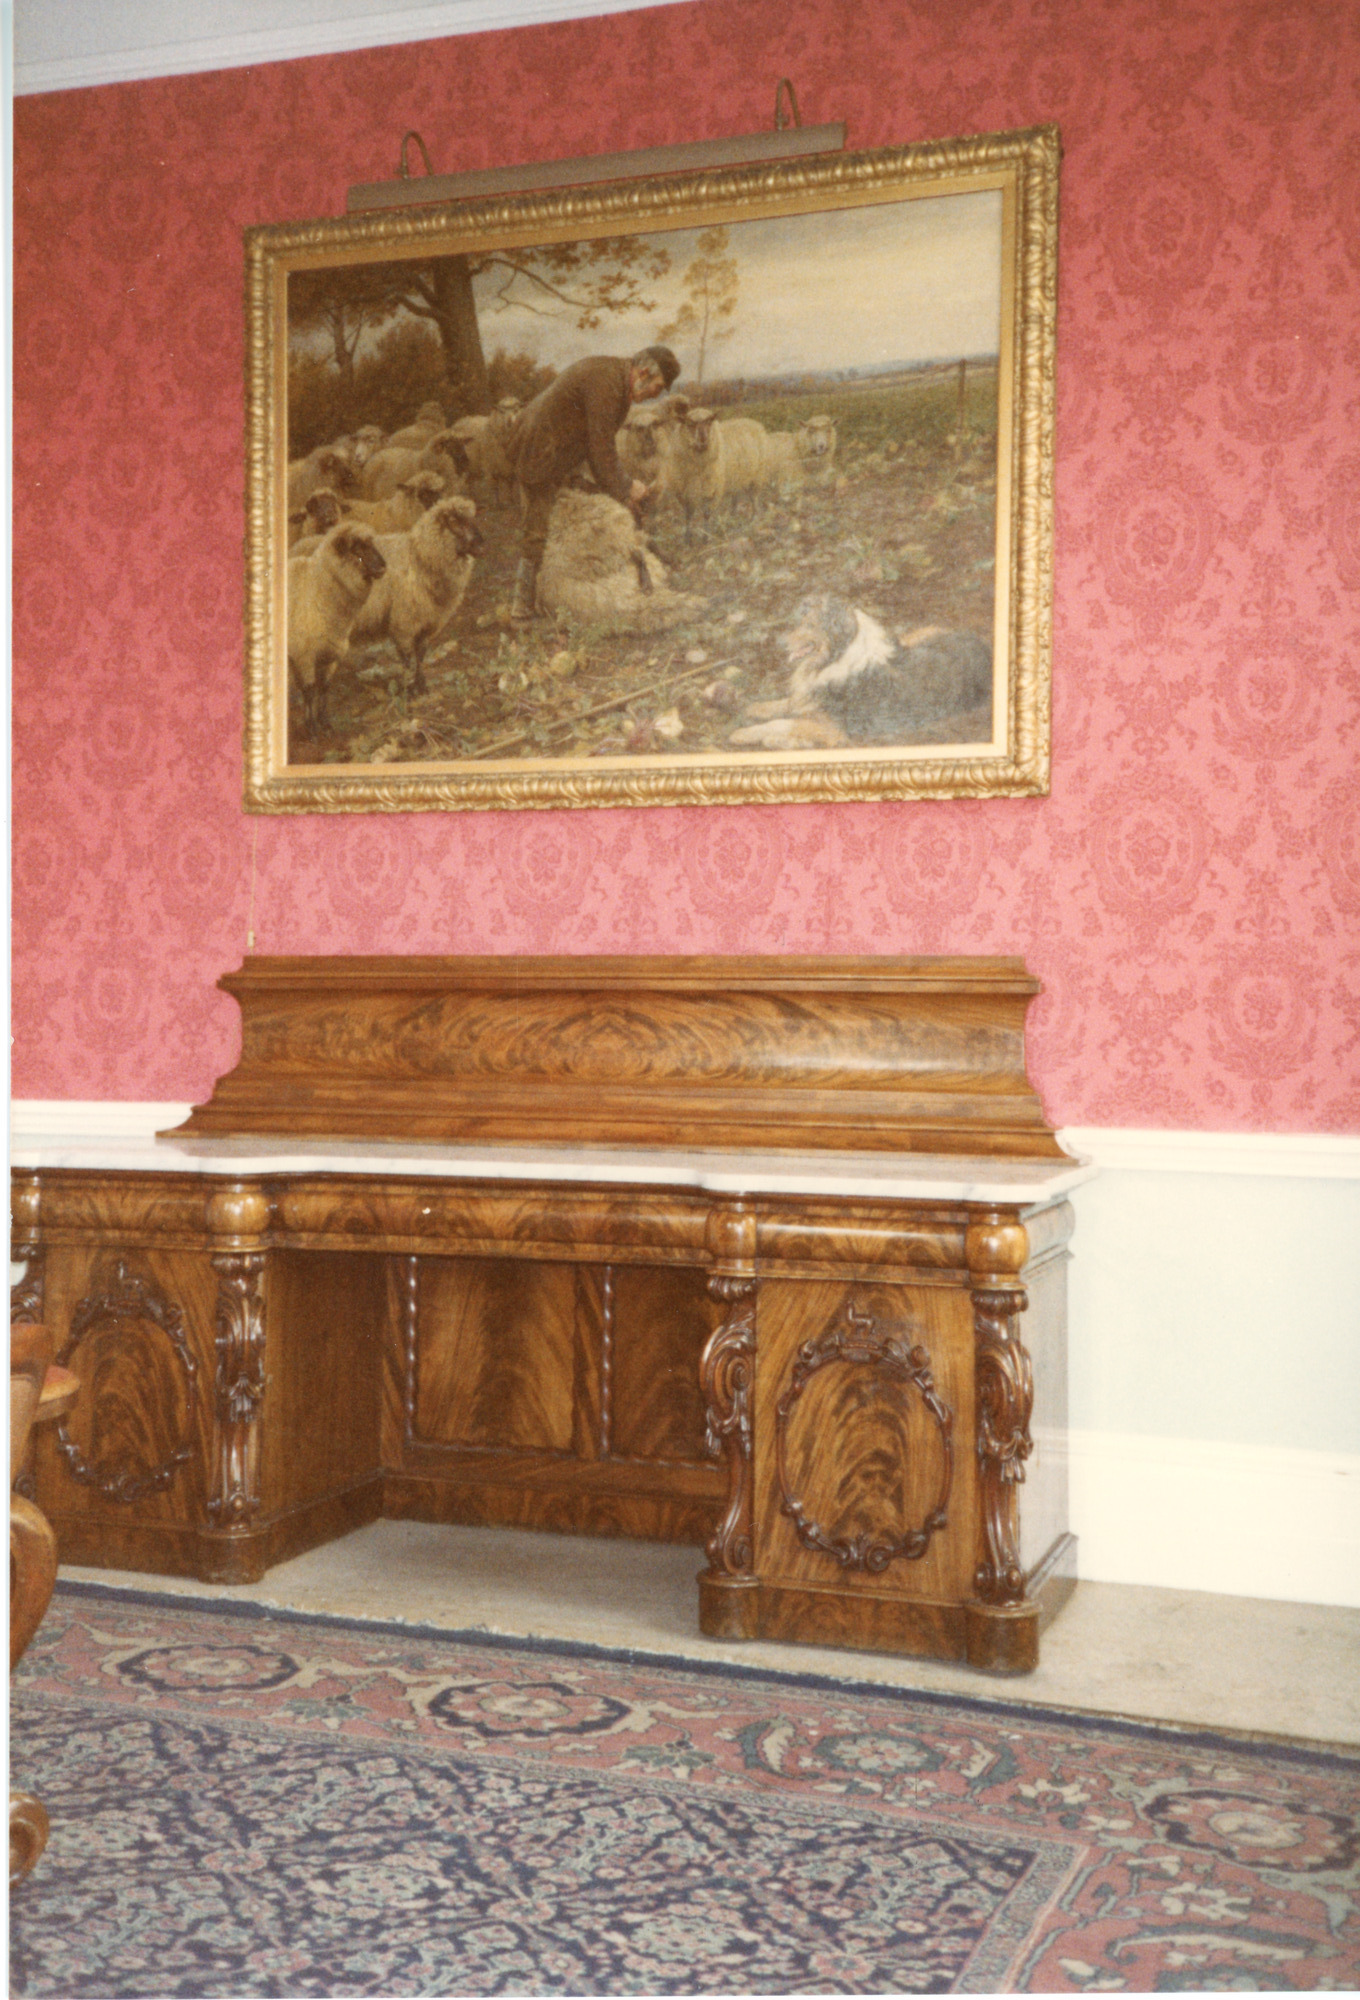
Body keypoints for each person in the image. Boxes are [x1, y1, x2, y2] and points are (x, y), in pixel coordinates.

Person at [507, 344, 680, 621]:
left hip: (560, 449)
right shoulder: (607, 384)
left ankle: (562, 583)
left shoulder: (617, 383)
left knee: (578, 509)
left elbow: (597, 446)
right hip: (538, 448)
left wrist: (621, 493)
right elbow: (601, 448)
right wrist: (627, 487)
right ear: (643, 373)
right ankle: (521, 606)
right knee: (538, 522)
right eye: (657, 387)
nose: (654, 395)